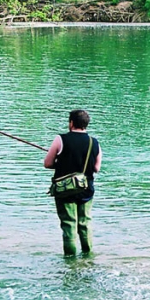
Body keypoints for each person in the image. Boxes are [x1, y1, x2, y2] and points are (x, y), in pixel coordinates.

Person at [44, 109, 102, 256]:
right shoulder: (94, 142)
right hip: (86, 189)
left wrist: (60, 163)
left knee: (69, 225)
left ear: (71, 123)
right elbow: (96, 168)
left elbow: (47, 163)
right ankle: (88, 257)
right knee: (85, 224)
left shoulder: (60, 139)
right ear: (86, 124)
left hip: (65, 190)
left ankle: (70, 262)